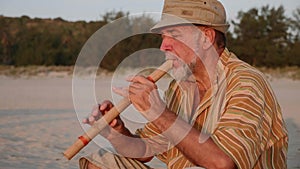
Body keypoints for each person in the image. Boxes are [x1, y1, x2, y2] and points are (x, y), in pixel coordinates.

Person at [79, 0, 288, 168]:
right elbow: (145, 151)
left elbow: (222, 163)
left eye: (175, 35)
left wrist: (159, 113)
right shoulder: (179, 86)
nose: (163, 46)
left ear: (206, 37)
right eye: (163, 37)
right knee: (99, 161)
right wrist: (114, 132)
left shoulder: (245, 83)